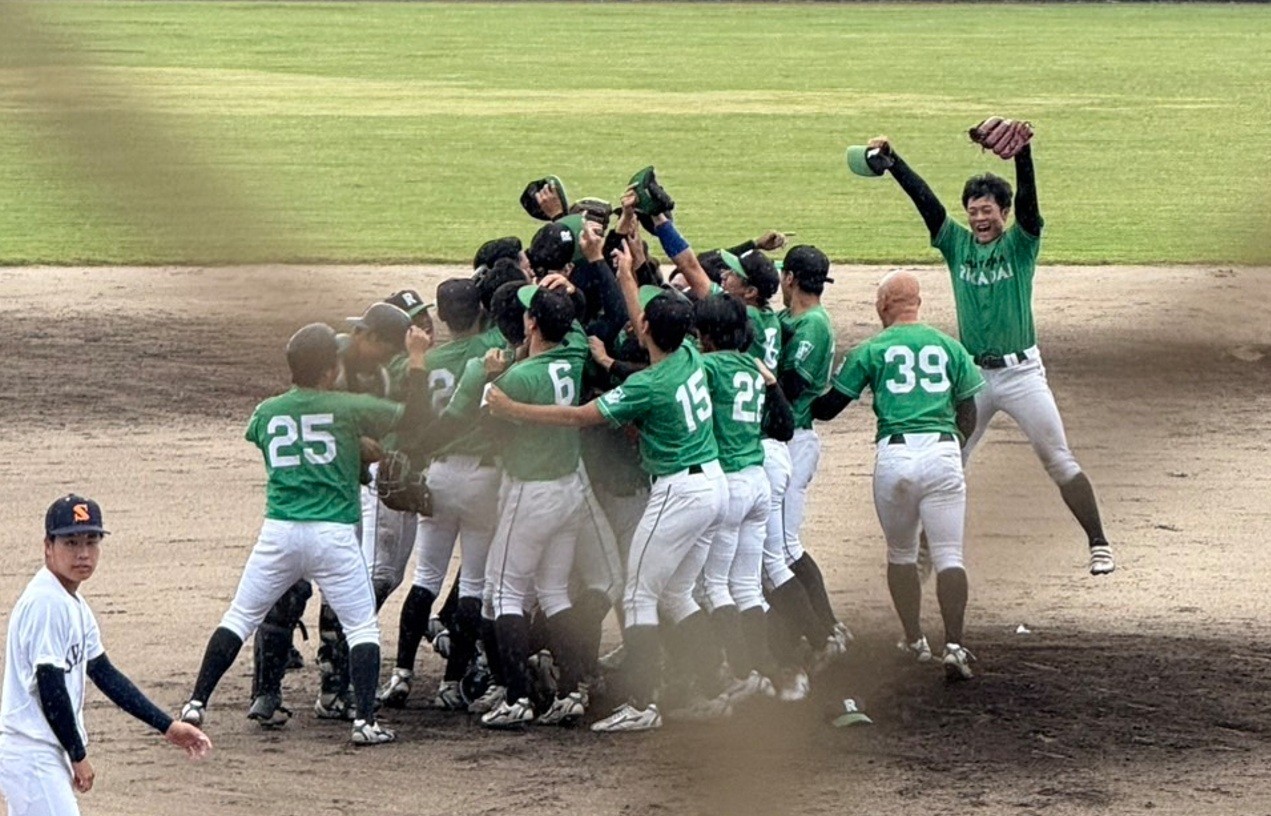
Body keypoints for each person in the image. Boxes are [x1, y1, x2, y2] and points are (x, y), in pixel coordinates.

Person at [487, 240, 728, 734]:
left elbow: (579, 416)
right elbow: (644, 324)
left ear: (646, 330)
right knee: (676, 595)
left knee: (639, 595)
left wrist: (513, 410)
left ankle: (643, 703)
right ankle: (714, 686)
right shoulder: (687, 354)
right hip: (714, 485)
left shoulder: (647, 385)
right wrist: (624, 277)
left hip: (679, 494)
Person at [865, 128, 1114, 575]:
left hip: (1022, 376)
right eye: (973, 211)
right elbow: (928, 205)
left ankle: (1099, 544)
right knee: (949, 460)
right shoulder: (956, 244)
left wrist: (1022, 155)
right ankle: (925, 552)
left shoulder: (1020, 245)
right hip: (972, 379)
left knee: (1058, 459)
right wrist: (894, 162)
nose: (980, 218)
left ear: (1004, 213)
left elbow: (1031, 208)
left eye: (988, 211)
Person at [179, 320, 432, 745]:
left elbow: (262, 435)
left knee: (239, 617)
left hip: (279, 533)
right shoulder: (347, 407)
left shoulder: (266, 411)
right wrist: (417, 362)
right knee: (361, 628)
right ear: (330, 371)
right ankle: (364, 722)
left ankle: (196, 703)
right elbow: (415, 416)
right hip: (333, 534)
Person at [812, 272, 984, 679]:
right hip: (943, 451)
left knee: (901, 554)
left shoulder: (872, 348)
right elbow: (970, 411)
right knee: (949, 555)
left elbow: (830, 408)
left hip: (896, 454)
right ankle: (954, 646)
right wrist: (951, 446)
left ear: (884, 304)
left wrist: (796, 398)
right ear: (917, 302)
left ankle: (914, 639)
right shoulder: (949, 345)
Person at [0, 496, 211, 816]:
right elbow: (50, 687)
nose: (83, 553)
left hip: (41, 749)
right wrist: (78, 755)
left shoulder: (72, 602)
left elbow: (104, 673)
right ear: (48, 546)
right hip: (31, 752)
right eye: (71, 542)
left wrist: (167, 726)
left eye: (91, 541)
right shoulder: (47, 603)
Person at [477, 284, 592, 729]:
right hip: (570, 490)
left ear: (532, 324)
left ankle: (517, 698)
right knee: (554, 592)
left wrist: (492, 376)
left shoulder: (517, 379)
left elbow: (486, 430)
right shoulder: (575, 355)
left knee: (505, 592)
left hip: (532, 493)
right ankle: (571, 692)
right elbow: (575, 330)